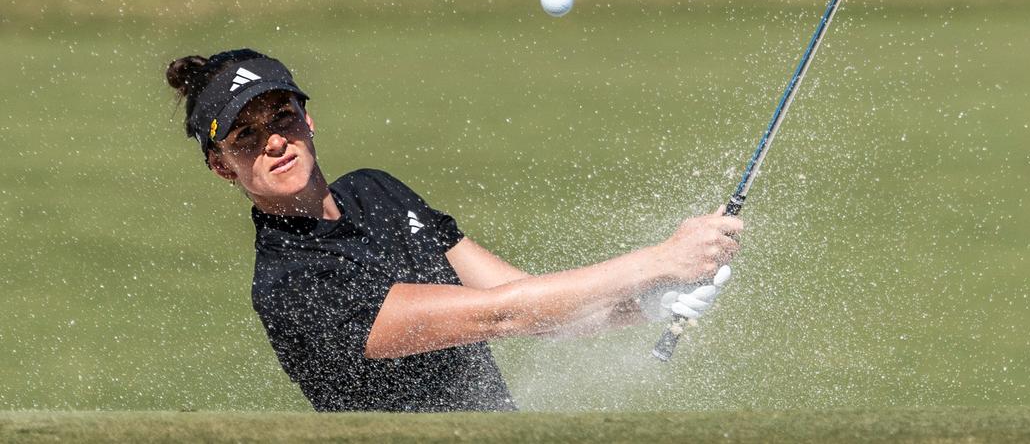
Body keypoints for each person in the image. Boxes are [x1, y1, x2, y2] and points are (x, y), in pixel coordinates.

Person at [165, 49, 741, 411]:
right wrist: (659, 260)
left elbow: (528, 303)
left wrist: (649, 303)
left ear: (307, 119)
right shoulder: (293, 283)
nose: (274, 141)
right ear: (222, 166)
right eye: (245, 137)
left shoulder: (376, 192)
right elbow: (500, 315)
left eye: (283, 118)